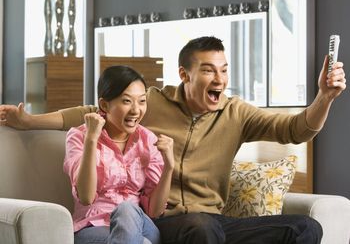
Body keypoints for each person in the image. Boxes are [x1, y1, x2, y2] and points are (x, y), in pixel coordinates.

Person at [0, 36, 346, 244]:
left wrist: (325, 97)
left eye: (224, 69)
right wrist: (29, 121)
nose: (220, 79)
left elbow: (296, 130)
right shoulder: (151, 103)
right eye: (209, 70)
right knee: (200, 226)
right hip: (167, 220)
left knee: (303, 228)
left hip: (215, 222)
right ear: (185, 75)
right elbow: (90, 113)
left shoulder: (237, 113)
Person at [64, 65, 174, 244]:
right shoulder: (79, 136)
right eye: (126, 101)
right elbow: (86, 196)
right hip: (93, 227)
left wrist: (169, 167)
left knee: (126, 209)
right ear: (104, 105)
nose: (136, 110)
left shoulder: (148, 140)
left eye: (142, 101)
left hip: (140, 223)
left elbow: (154, 211)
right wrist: (91, 139)